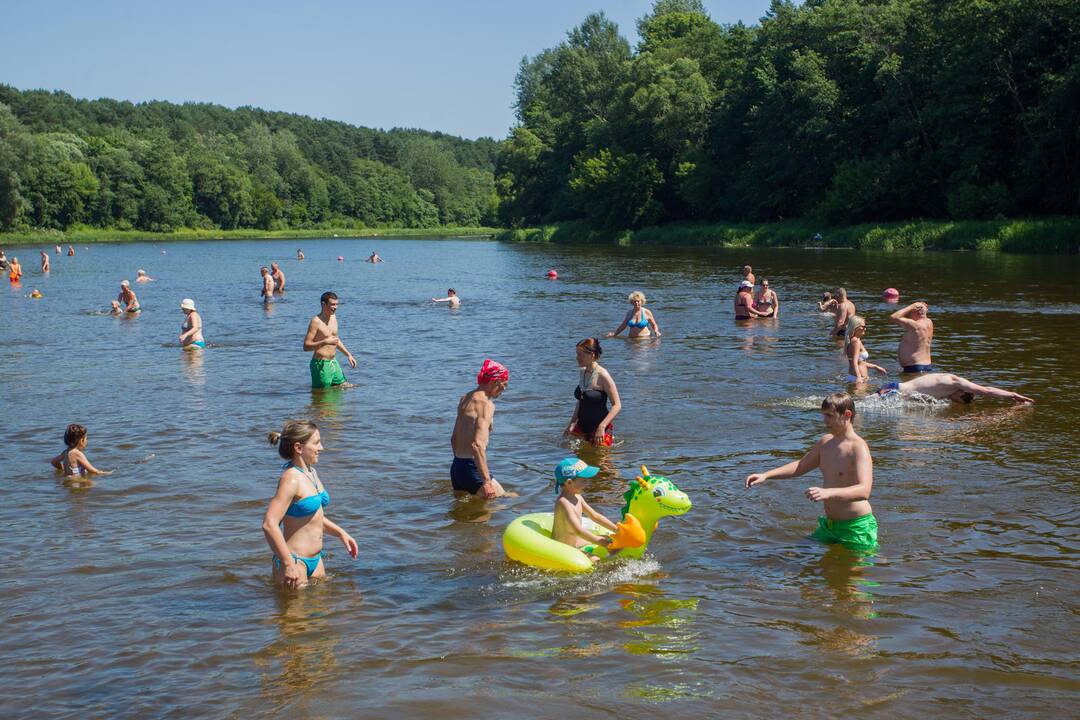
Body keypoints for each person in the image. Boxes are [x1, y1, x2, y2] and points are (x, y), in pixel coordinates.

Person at [746, 392, 877, 551]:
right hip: (829, 527)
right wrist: (766, 475)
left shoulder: (858, 448)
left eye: (829, 416)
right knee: (795, 556)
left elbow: (864, 490)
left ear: (847, 415)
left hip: (856, 527)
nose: (824, 421)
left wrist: (828, 493)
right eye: (823, 415)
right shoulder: (825, 442)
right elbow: (801, 466)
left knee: (853, 574)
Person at [262, 420, 358, 588]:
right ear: (298, 448)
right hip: (295, 563)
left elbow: (313, 517)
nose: (321, 448)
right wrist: (288, 564)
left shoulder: (311, 472)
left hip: (315, 561)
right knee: (291, 614)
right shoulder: (291, 478)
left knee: (320, 611)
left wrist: (341, 533)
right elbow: (269, 525)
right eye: (316, 443)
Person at [450, 359, 510, 498]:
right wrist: (487, 481)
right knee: (504, 503)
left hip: (457, 467)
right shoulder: (486, 404)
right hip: (472, 467)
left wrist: (461, 467)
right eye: (504, 384)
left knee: (463, 513)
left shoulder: (465, 398)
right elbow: (477, 445)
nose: (504, 389)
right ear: (494, 381)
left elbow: (453, 439)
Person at [552, 457, 618, 560]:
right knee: (595, 559)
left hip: (576, 540)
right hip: (564, 547)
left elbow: (595, 516)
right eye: (583, 480)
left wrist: (617, 529)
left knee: (610, 539)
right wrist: (601, 542)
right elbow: (578, 530)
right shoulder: (563, 502)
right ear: (569, 483)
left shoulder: (577, 496)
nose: (587, 483)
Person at [565, 338, 621, 447]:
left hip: (600, 428)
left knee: (602, 462)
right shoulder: (582, 372)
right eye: (577, 354)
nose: (577, 358)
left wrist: (602, 426)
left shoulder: (603, 375)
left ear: (592, 355)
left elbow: (617, 405)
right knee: (576, 459)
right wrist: (572, 423)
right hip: (581, 426)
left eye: (580, 355)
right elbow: (581, 400)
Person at [304, 291, 357, 389]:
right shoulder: (315, 321)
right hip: (321, 365)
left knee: (345, 388)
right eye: (332, 304)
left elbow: (335, 339)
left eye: (337, 304)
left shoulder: (333, 317)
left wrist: (348, 355)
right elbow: (306, 346)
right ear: (323, 304)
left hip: (333, 362)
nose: (335, 307)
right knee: (322, 395)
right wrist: (324, 342)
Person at [877, 373, 1034, 404]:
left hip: (893, 389)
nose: (955, 401)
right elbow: (987, 391)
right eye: (961, 400)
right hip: (893, 391)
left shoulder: (944, 388)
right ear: (964, 392)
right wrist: (1012, 394)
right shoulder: (956, 382)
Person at [890, 301, 934, 373]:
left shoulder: (915, 325)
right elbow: (922, 313)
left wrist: (911, 306)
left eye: (910, 313)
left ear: (916, 313)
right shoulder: (929, 322)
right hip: (926, 366)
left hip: (914, 368)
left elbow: (893, 317)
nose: (907, 316)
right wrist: (922, 307)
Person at [844, 316, 888, 382]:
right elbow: (854, 361)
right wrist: (859, 378)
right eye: (863, 327)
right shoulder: (856, 341)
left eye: (865, 327)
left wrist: (875, 367)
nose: (865, 329)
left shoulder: (852, 340)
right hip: (859, 377)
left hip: (854, 376)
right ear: (855, 327)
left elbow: (860, 362)